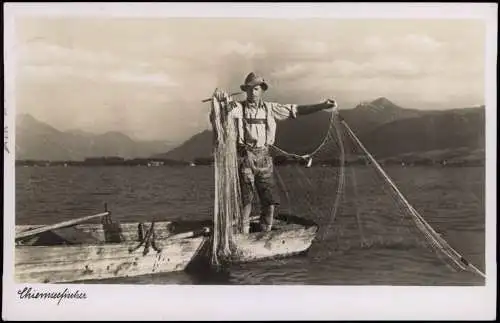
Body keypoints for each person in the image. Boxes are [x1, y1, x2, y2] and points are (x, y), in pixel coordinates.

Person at [213, 72, 337, 233]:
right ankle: (242, 234)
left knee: (269, 200)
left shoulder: (271, 109)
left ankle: (266, 233)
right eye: (249, 89)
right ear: (246, 91)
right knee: (246, 200)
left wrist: (321, 106)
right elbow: (223, 112)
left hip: (264, 158)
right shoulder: (238, 108)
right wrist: (221, 100)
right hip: (245, 158)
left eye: (256, 89)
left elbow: (296, 110)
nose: (253, 92)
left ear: (262, 90)